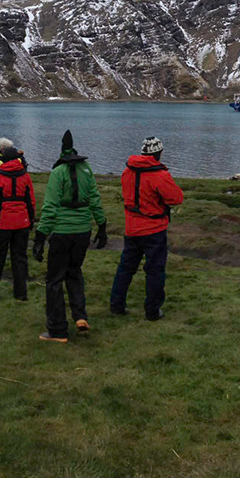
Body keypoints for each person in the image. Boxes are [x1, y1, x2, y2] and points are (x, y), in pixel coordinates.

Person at [36, 131, 106, 342]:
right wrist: (102, 226)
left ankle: (57, 329)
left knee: (55, 280)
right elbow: (95, 199)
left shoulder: (58, 173)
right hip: (83, 231)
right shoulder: (87, 169)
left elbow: (50, 207)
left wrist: (40, 237)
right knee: (74, 273)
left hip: (62, 232)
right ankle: (80, 317)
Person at [111, 136, 184, 320]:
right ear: (158, 153)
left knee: (126, 268)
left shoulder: (127, 171)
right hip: (154, 230)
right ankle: (152, 311)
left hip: (132, 228)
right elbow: (176, 198)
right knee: (155, 271)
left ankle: (116, 305)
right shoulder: (159, 175)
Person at [0, 139, 36, 302]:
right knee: (19, 257)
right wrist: (31, 219)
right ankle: (21, 293)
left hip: (3, 222)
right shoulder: (25, 176)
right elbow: (31, 200)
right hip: (22, 222)